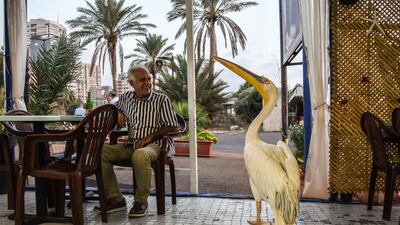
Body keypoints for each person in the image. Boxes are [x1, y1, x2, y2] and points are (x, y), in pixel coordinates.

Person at [95, 65, 178, 218]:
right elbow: (114, 108)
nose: (147, 83)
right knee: (100, 153)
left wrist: (149, 138)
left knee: (140, 155)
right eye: (142, 80)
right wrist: (118, 111)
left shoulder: (161, 99)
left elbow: (172, 126)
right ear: (132, 84)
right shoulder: (126, 97)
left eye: (149, 79)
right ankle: (116, 198)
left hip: (156, 145)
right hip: (133, 143)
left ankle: (141, 202)